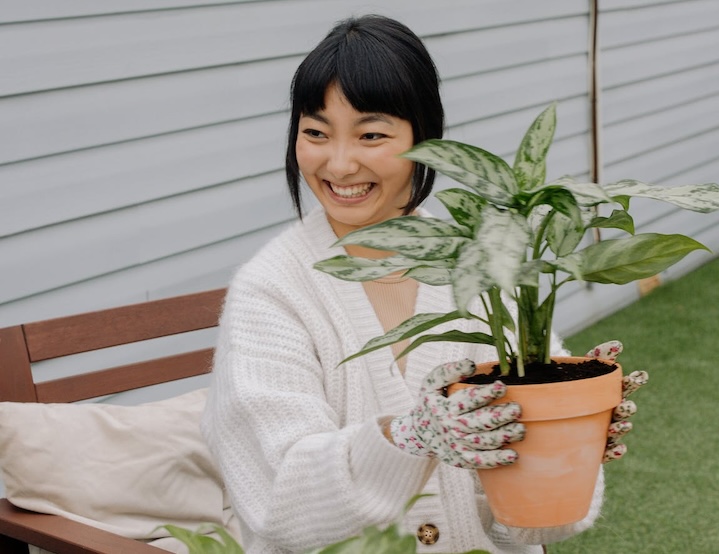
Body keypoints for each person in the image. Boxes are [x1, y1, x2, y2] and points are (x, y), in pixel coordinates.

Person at [202, 14, 643, 554]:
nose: (339, 163)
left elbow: (536, 528)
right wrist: (408, 437)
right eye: (315, 133)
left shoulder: (486, 262)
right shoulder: (270, 293)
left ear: (425, 139)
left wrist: (572, 434)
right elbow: (279, 505)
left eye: (371, 135)